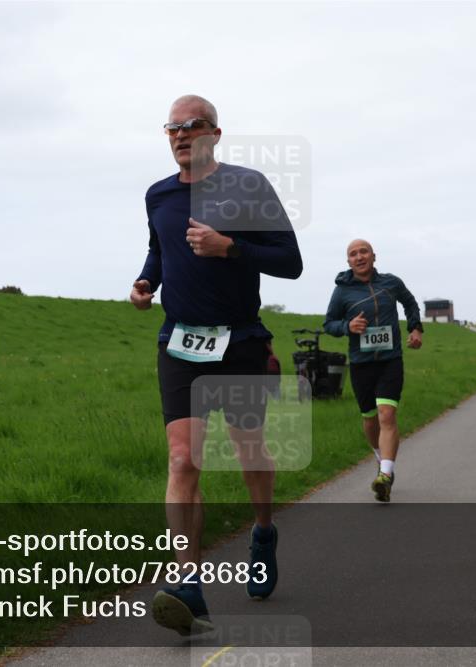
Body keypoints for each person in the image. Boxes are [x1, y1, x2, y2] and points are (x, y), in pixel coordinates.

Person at [130, 94, 303, 636]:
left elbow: (290, 263)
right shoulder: (157, 195)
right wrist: (146, 282)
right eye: (173, 127)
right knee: (183, 461)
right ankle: (189, 588)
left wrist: (230, 247)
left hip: (241, 342)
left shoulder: (247, 187)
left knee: (250, 451)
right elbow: (160, 250)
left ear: (216, 133)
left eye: (193, 125)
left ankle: (263, 531)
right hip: (180, 343)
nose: (182, 134)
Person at [323, 239, 423, 503]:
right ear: (348, 262)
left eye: (363, 252)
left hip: (390, 359)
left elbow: (410, 303)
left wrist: (415, 328)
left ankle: (386, 476)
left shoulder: (391, 283)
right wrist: (347, 326)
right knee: (369, 419)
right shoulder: (342, 291)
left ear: (373, 256)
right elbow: (329, 323)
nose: (359, 257)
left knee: (386, 414)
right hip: (360, 363)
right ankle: (381, 460)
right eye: (353, 254)